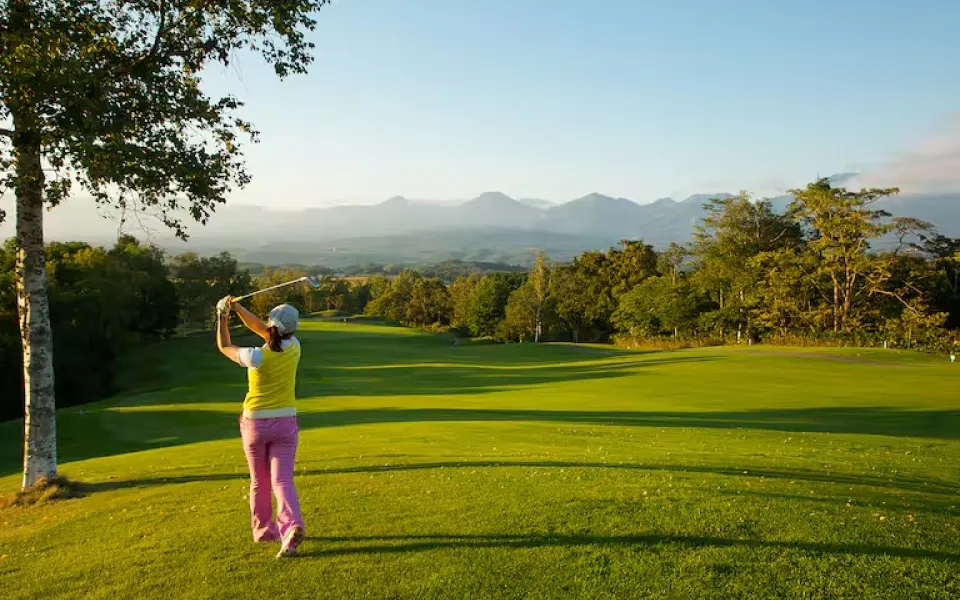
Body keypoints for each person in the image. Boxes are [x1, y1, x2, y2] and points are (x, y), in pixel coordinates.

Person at [216, 296, 306, 558]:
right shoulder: (295, 346)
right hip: (286, 423)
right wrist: (237, 307)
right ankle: (290, 527)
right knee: (282, 479)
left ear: (272, 324)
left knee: (259, 481)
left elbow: (224, 346)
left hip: (255, 423)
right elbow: (260, 327)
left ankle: (265, 530)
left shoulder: (255, 356)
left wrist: (222, 315)